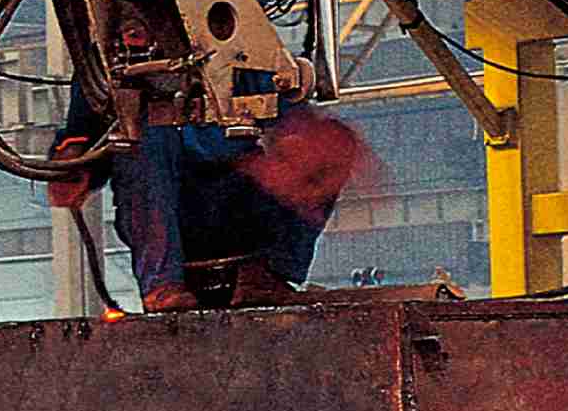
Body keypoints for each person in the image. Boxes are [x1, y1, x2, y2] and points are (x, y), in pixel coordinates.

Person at [50, 96, 368, 311]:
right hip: (175, 214)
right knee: (143, 132)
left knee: (331, 141)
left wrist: (301, 150)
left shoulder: (247, 41)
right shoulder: (106, 59)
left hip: (242, 206)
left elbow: (293, 116)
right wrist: (73, 165)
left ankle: (269, 274)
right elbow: (82, 142)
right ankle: (162, 286)